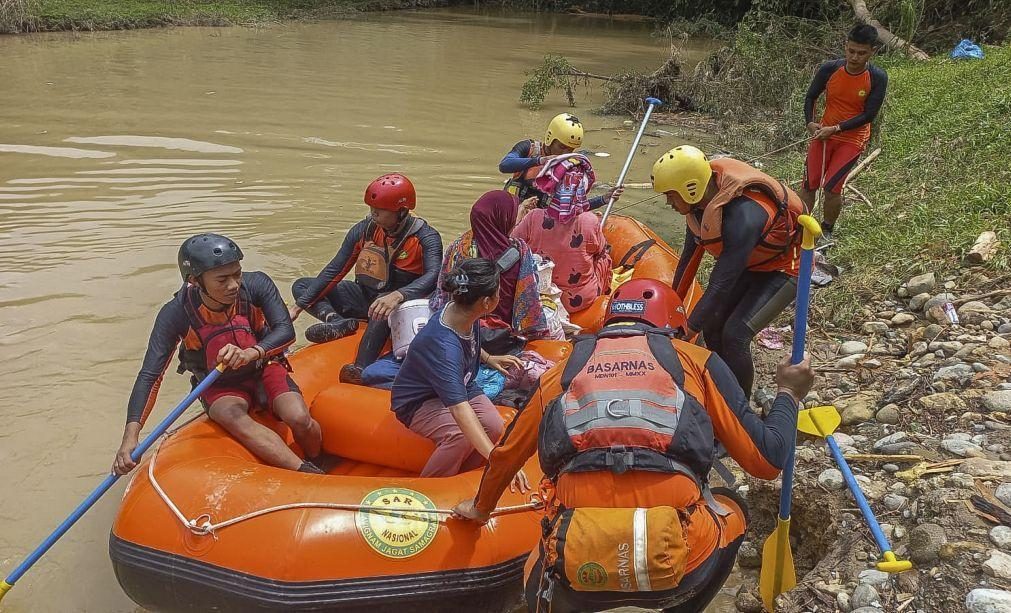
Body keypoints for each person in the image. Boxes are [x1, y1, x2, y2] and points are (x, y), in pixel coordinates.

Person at [452, 278, 814, 613]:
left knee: (538, 564)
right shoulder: (698, 362)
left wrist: (481, 507)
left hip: (577, 566)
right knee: (733, 508)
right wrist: (787, 393)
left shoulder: (559, 373)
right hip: (678, 562)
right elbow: (767, 461)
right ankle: (680, 606)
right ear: (673, 328)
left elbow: (506, 455)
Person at [113, 233, 324, 476]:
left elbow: (286, 331)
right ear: (195, 281)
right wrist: (131, 437)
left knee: (299, 418)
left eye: (237, 274)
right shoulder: (176, 314)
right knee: (230, 414)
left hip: (263, 365)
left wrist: (250, 353)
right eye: (222, 279)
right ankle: (309, 475)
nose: (234, 285)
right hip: (219, 383)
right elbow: (150, 375)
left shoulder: (257, 286)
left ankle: (320, 459)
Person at [651, 145, 806, 396]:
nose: (668, 202)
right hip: (750, 263)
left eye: (670, 195)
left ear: (690, 187)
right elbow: (689, 261)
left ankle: (739, 405)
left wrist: (687, 331)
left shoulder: (743, 215)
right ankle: (721, 389)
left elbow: (721, 284)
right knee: (712, 325)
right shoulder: (699, 207)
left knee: (735, 334)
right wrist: (671, 310)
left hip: (785, 267)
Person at [290, 174, 443, 385]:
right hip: (366, 295)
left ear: (401, 211)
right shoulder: (365, 230)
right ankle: (338, 322)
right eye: (372, 209)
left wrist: (399, 295)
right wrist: (299, 307)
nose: (373, 215)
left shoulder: (426, 238)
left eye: (379, 211)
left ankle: (360, 368)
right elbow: (336, 268)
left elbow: (434, 276)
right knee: (302, 286)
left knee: (383, 306)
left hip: (398, 305)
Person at [390, 258, 528, 481]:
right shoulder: (443, 346)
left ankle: (462, 479)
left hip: (461, 382)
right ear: (486, 302)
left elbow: (469, 339)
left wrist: (488, 358)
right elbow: (460, 410)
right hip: (419, 401)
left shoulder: (463, 310)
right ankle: (430, 487)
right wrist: (496, 459)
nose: (500, 296)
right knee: (459, 435)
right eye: (498, 292)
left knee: (493, 426)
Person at [801, 24, 887, 240]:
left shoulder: (877, 77)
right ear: (845, 46)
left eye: (861, 53)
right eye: (851, 51)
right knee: (809, 183)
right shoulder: (830, 69)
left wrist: (837, 128)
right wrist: (811, 123)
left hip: (851, 139)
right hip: (823, 134)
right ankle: (800, 225)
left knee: (831, 188)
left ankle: (827, 230)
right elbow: (811, 97)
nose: (855, 57)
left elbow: (868, 115)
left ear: (872, 52)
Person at [431, 190, 549, 340]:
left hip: (462, 329)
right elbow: (530, 294)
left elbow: (444, 292)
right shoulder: (519, 249)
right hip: (502, 333)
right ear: (504, 219)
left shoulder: (458, 247)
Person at [511, 153, 615, 314]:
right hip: (579, 300)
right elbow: (600, 251)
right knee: (605, 256)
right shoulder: (590, 221)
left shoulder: (534, 217)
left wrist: (520, 213)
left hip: (540, 297)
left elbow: (513, 243)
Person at [499, 112, 621, 212]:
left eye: (571, 149)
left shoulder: (569, 168)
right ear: (550, 139)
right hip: (512, 211)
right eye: (561, 147)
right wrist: (539, 160)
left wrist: (603, 199)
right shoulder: (529, 148)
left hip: (539, 222)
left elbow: (574, 206)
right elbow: (504, 165)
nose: (565, 154)